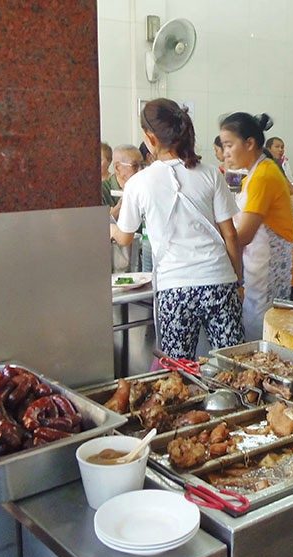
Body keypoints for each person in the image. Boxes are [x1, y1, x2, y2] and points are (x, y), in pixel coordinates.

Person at [111, 98, 244, 360]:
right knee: (233, 365)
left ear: (150, 137)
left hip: (176, 289)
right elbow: (230, 234)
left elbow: (125, 237)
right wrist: (238, 281)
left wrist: (109, 230)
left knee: (179, 370)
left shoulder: (139, 183)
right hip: (219, 281)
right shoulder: (209, 173)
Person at [220, 112, 293, 339]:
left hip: (280, 279)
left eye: (229, 145)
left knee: (271, 349)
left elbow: (243, 236)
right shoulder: (254, 175)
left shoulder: (264, 176)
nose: (225, 152)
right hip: (261, 277)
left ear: (249, 143)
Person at [102, 144, 144, 272]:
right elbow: (99, 226)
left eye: (143, 165)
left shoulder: (145, 188)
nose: (141, 171)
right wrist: (120, 207)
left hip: (143, 254)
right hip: (115, 259)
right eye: (135, 166)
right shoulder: (102, 190)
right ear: (118, 168)